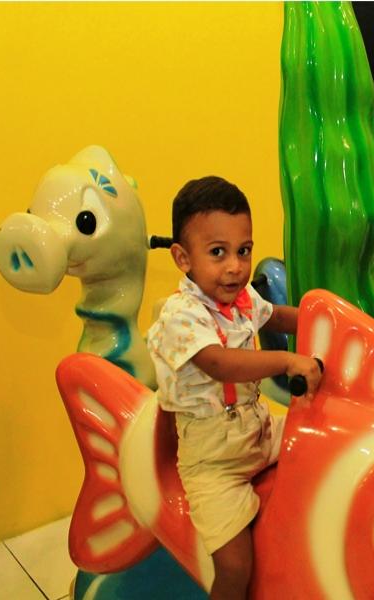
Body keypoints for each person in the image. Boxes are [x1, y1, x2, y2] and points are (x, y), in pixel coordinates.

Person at [147, 176, 322, 600]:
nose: (235, 267)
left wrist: (326, 317)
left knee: (321, 442)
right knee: (234, 565)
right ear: (182, 258)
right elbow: (219, 363)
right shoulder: (181, 314)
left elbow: (276, 316)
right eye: (217, 252)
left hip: (258, 431)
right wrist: (286, 361)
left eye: (243, 250)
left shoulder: (242, 300)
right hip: (214, 462)